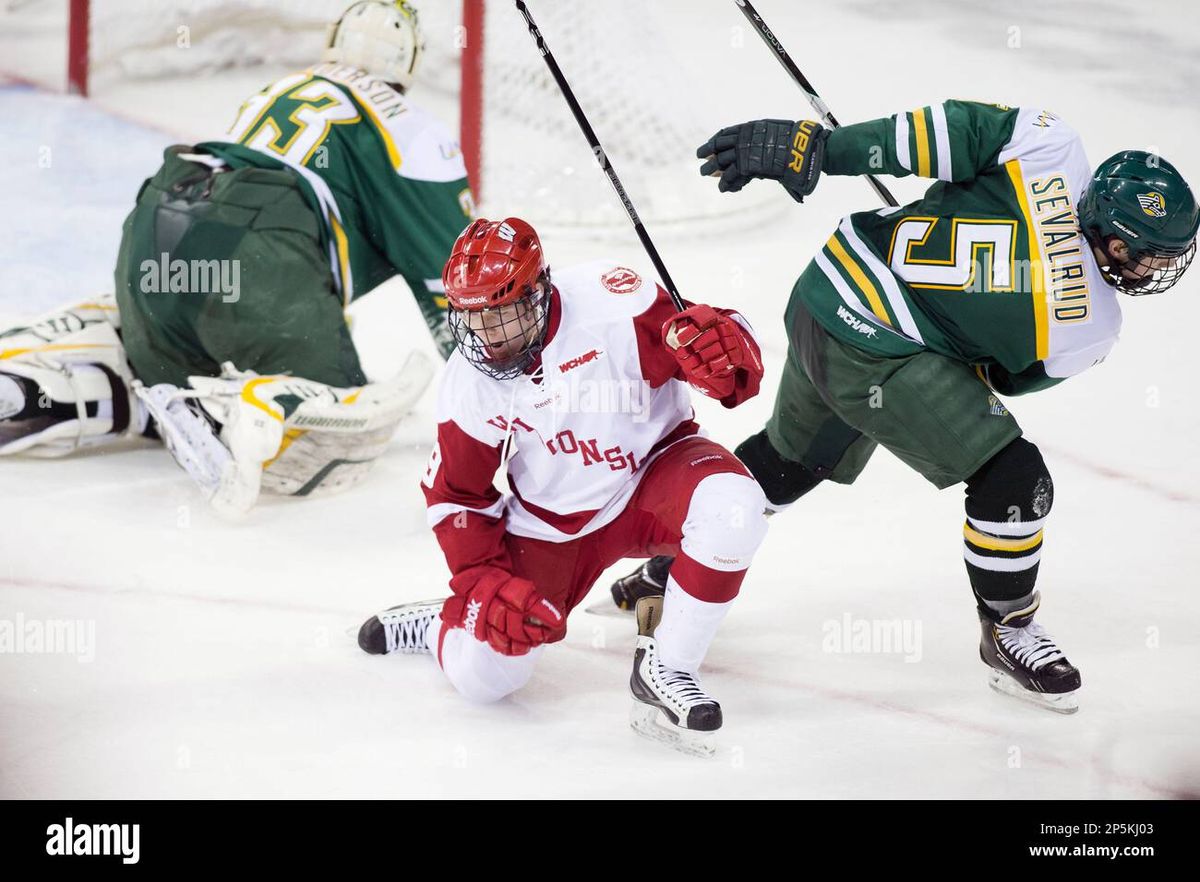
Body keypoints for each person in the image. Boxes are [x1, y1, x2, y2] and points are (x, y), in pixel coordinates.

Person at [611, 101, 1199, 714]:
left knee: (791, 461)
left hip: (825, 290)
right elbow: (997, 377)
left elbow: (926, 136)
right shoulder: (1093, 328)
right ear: (1106, 230)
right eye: (1145, 253)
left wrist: (818, 149)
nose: (1155, 268)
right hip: (874, 348)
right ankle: (1010, 628)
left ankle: (672, 559)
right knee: (1013, 479)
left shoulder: (1047, 141)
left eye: (1166, 255)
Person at [1, 1, 472, 514]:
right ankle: (262, 410)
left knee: (171, 365)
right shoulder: (411, 128)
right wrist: (495, 399)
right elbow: (461, 287)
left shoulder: (282, 89)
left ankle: (105, 378)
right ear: (409, 62)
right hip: (257, 257)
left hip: (154, 230)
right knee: (336, 436)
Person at [357, 216, 768, 755]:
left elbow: (715, 351)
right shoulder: (469, 382)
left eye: (503, 314)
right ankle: (445, 622)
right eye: (474, 318)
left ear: (540, 292)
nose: (490, 337)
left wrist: (725, 349)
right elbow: (457, 496)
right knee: (488, 681)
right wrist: (481, 582)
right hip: (553, 525)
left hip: (657, 473)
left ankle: (667, 668)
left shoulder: (613, 302)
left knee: (735, 509)